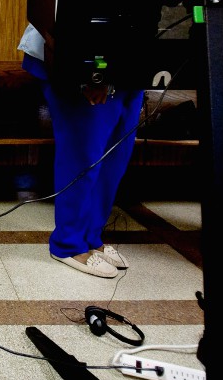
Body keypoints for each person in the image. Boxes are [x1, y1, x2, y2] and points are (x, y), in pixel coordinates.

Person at [19, 23, 144, 278]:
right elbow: (77, 8)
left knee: (115, 158)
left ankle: (91, 236)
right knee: (83, 153)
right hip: (77, 55)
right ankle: (68, 244)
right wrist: (89, 70)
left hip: (129, 62)